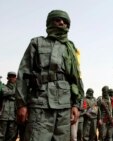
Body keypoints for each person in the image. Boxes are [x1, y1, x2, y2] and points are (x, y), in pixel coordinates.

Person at [15, 9, 84, 141]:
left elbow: (76, 79)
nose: (61, 22)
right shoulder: (37, 43)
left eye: (64, 21)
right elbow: (23, 74)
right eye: (57, 20)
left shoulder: (71, 49)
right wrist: (21, 104)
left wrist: (76, 105)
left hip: (64, 106)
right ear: (49, 23)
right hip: (40, 103)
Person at [0, 71, 18, 141]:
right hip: (3, 115)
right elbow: (5, 93)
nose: (12, 78)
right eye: (10, 76)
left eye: (13, 77)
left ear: (16, 78)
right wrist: (15, 93)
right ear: (7, 78)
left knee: (12, 136)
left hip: (14, 116)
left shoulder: (19, 87)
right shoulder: (3, 86)